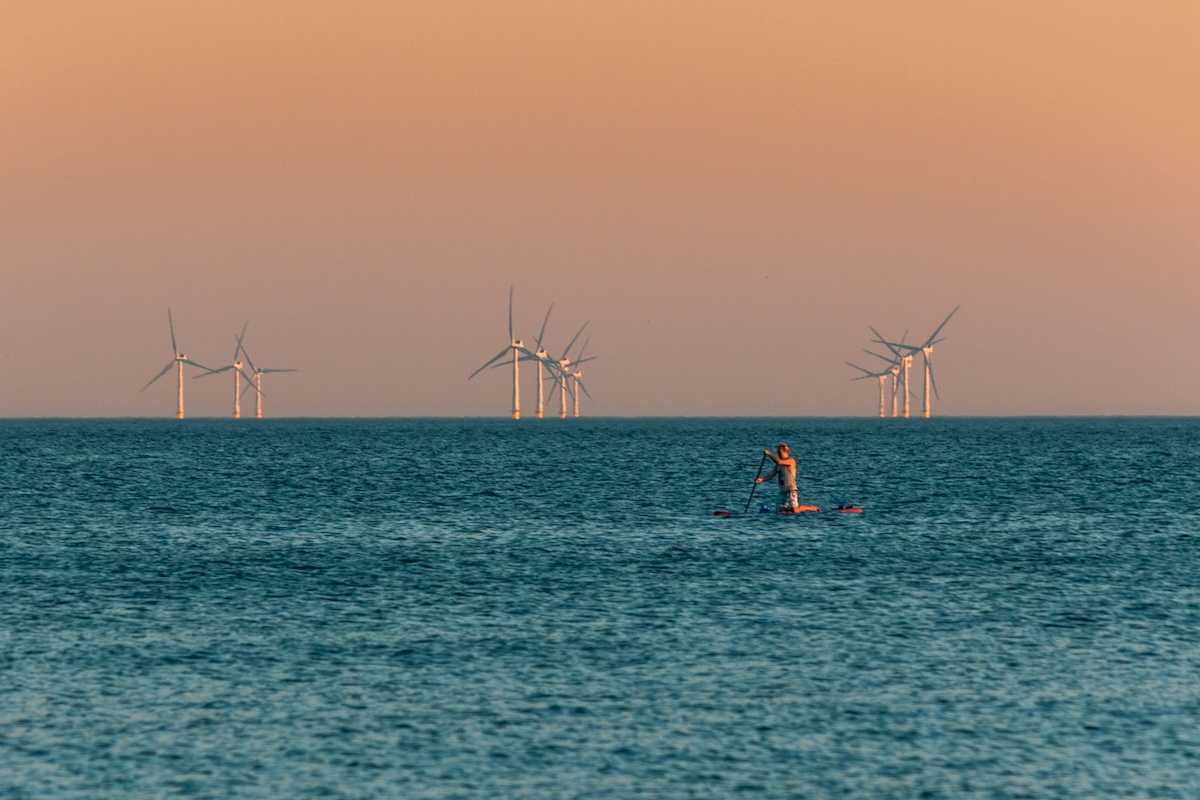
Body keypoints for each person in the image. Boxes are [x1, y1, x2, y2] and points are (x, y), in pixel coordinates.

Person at [756, 442, 799, 512]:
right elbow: (771, 475)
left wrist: (769, 454)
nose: (777, 453)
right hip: (782, 491)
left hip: (791, 490)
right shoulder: (778, 465)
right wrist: (762, 479)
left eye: (779, 451)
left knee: (794, 510)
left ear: (783, 450)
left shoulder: (791, 461)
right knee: (779, 511)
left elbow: (778, 461)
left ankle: (810, 508)